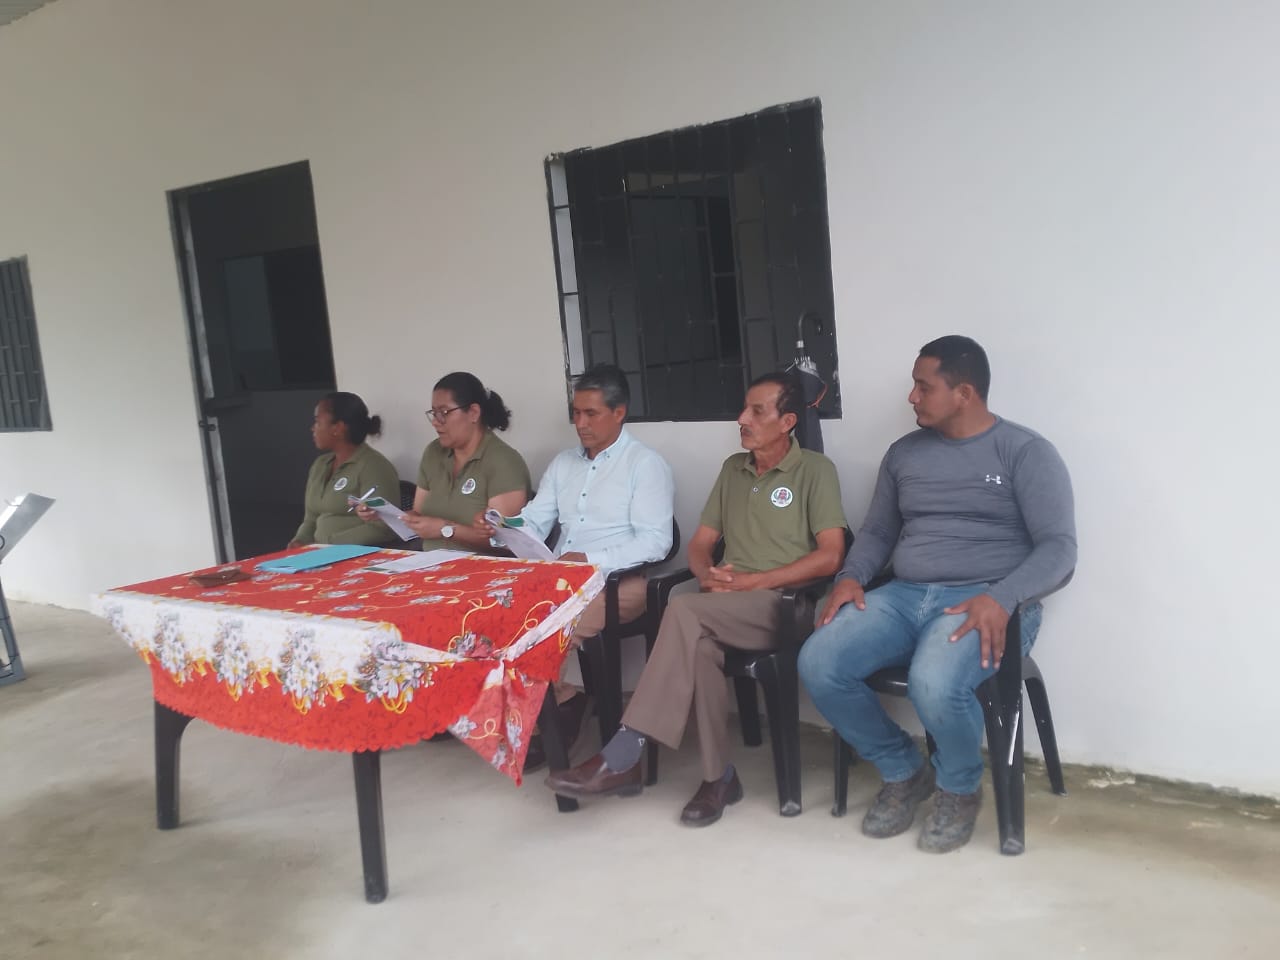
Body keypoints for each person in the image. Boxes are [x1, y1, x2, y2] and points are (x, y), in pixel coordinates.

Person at [798, 336, 1077, 854]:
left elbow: (1059, 550)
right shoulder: (904, 454)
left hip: (986, 602)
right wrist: (851, 576)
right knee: (819, 661)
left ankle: (959, 788)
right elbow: (879, 531)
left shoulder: (1024, 452)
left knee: (935, 681)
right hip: (905, 596)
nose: (912, 397)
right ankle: (903, 769)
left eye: (923, 387)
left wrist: (1002, 597)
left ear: (964, 393)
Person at [545, 371, 847, 826]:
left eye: (757, 411)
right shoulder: (733, 470)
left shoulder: (815, 471)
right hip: (724, 606)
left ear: (787, 422)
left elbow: (830, 555)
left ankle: (625, 752)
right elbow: (701, 543)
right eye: (743, 408)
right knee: (700, 647)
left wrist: (755, 582)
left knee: (683, 608)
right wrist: (708, 575)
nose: (742, 418)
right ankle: (719, 778)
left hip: (782, 605)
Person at [480, 364, 674, 769]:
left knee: (545, 628)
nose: (580, 423)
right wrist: (503, 528)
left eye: (591, 414)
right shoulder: (564, 464)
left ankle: (551, 723)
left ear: (619, 412)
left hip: (619, 583)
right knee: (497, 615)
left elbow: (657, 541)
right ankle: (562, 701)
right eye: (576, 413)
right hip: (559, 579)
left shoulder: (644, 465)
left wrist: (591, 560)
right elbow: (535, 521)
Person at [358, 372, 530, 551]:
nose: (435, 422)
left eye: (444, 412)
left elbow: (505, 542)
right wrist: (385, 514)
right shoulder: (433, 453)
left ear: (473, 413)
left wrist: (446, 530)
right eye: (434, 413)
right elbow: (418, 515)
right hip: (427, 561)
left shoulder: (504, 461)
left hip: (481, 565)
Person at [290, 392, 402, 548]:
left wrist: (327, 545)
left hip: (355, 554)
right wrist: (299, 542)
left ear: (338, 428)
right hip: (319, 552)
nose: (312, 428)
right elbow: (311, 518)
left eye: (318, 422)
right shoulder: (320, 465)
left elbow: (383, 528)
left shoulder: (374, 466)